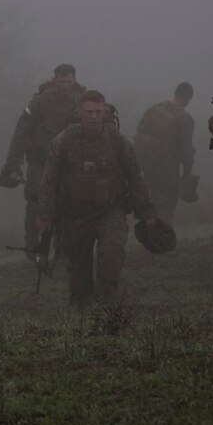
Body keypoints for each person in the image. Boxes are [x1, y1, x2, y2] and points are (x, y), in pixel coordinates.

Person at [38, 89, 158, 308]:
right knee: (78, 269)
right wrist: (45, 214)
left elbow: (135, 177)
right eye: (89, 112)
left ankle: (106, 307)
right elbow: (48, 181)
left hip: (110, 209)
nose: (94, 117)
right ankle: (82, 312)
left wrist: (147, 212)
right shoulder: (63, 141)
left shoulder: (118, 141)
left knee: (112, 253)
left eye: (98, 112)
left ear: (104, 113)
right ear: (80, 113)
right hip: (75, 213)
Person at [0, 63, 84, 258]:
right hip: (40, 159)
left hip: (69, 162)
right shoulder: (40, 101)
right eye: (61, 81)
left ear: (74, 80)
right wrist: (14, 160)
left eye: (68, 81)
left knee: (67, 203)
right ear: (55, 80)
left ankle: (61, 246)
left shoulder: (82, 102)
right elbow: (22, 130)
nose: (64, 85)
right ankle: (32, 244)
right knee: (36, 199)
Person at [134, 82, 196, 226]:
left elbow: (140, 131)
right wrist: (187, 174)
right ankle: (161, 241)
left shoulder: (155, 109)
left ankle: (148, 237)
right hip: (168, 171)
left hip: (148, 167)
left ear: (176, 93)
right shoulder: (184, 118)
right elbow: (186, 152)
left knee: (151, 203)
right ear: (188, 97)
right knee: (165, 209)